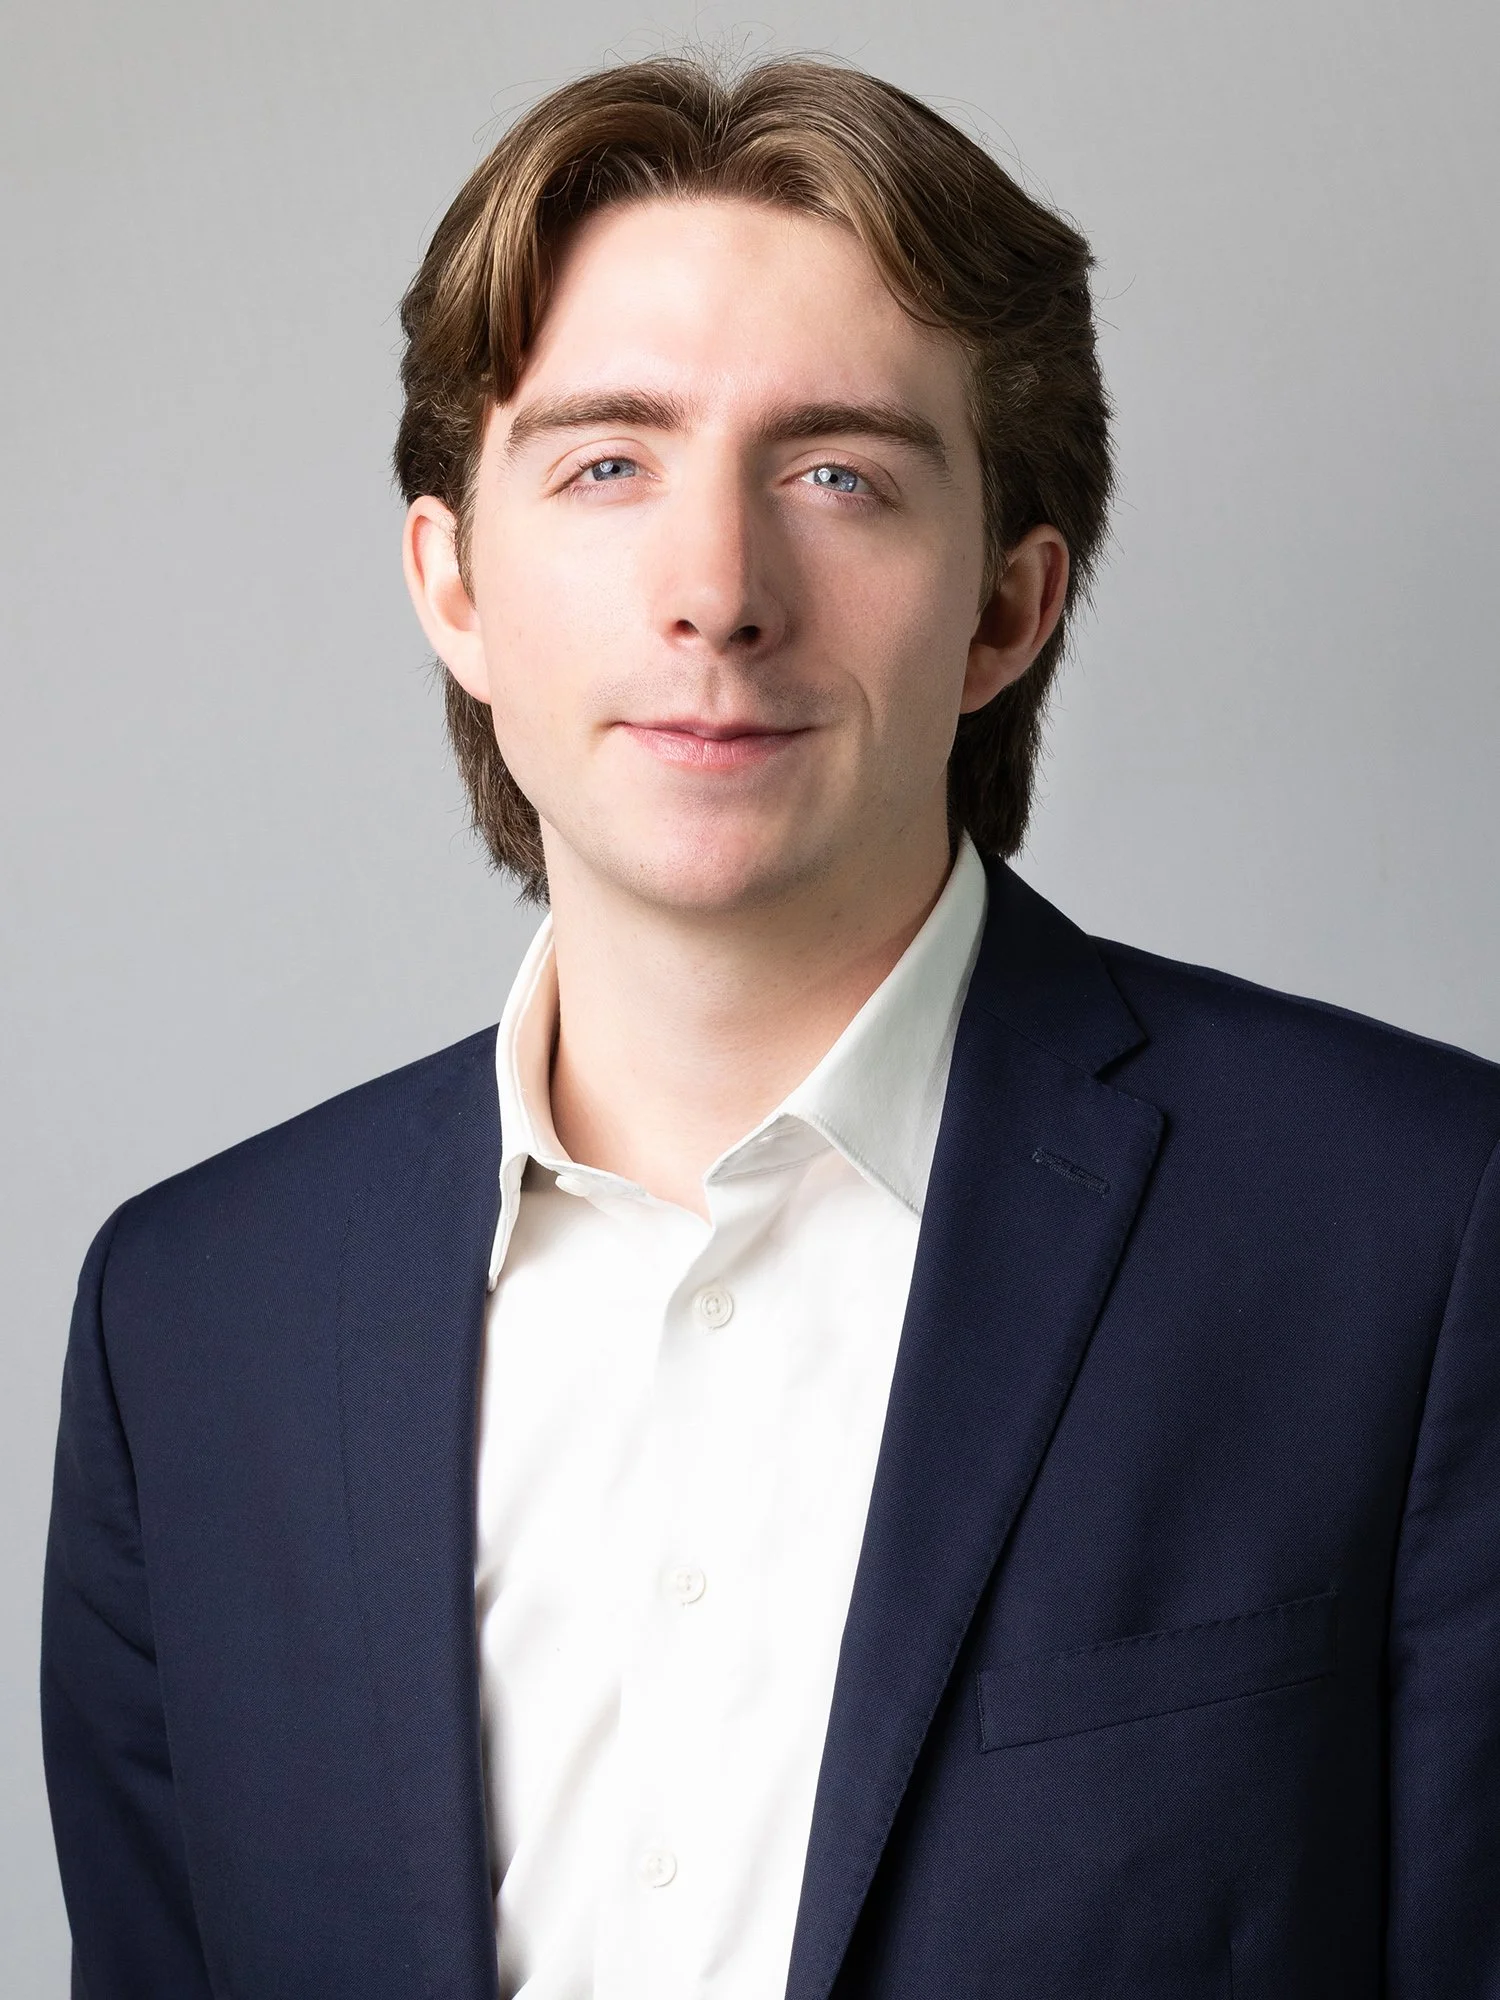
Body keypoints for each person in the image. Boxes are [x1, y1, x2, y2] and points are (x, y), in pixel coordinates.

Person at [40, 50, 1500, 2000]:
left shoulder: (1417, 1234)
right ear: (452, 581)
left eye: (838, 473)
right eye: (607, 462)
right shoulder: (190, 1321)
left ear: (1006, 606)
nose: (719, 589)